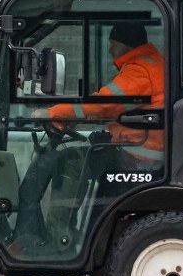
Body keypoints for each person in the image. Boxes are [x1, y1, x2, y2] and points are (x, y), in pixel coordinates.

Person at [12, 22, 164, 249]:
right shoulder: (153, 65)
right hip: (142, 150)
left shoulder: (140, 70)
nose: (110, 51)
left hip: (140, 157)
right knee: (84, 154)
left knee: (68, 163)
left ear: (124, 45)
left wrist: (53, 113)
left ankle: (59, 240)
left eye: (113, 45)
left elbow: (103, 105)